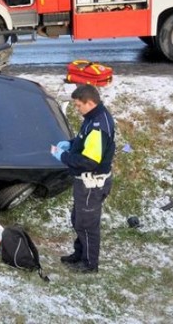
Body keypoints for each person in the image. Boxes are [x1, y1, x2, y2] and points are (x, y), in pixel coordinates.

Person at [51, 84, 116, 274]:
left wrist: (63, 156)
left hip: (92, 183)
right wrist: (71, 145)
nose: (77, 109)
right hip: (85, 183)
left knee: (86, 224)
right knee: (78, 218)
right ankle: (79, 253)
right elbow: (84, 141)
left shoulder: (98, 125)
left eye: (79, 106)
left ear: (89, 102)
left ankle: (89, 263)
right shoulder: (93, 117)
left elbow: (89, 161)